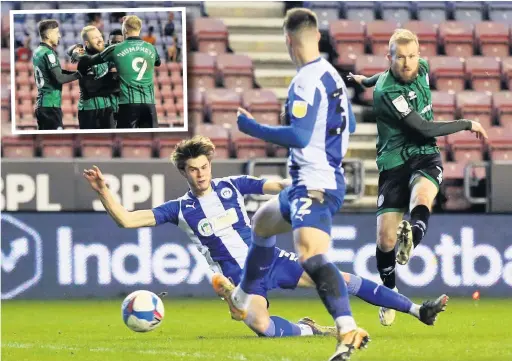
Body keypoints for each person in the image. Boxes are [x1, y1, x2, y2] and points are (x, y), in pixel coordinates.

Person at [83, 136, 449, 340]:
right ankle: (308, 330)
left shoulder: (230, 186)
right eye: (192, 170)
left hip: (271, 263)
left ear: (210, 166)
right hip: (241, 282)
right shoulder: (178, 209)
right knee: (260, 326)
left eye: (204, 167)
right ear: (183, 171)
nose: (200, 174)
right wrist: (104, 191)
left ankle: (418, 311)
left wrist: (301, 185)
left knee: (341, 279)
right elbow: (127, 220)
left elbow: (272, 184)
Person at [215, 8, 369, 361]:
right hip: (307, 181)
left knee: (311, 255)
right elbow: (352, 128)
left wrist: (253, 128)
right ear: (317, 35)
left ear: (288, 41)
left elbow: (299, 135)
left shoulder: (305, 80)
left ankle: (346, 329)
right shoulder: (332, 75)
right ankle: (242, 297)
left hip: (316, 182)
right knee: (262, 224)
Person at [347, 29, 488, 327]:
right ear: (390, 58)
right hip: (394, 161)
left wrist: (364, 79)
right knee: (384, 239)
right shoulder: (388, 92)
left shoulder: (419, 68)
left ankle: (411, 238)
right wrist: (466, 123)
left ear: (419, 55)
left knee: (422, 196)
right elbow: (423, 127)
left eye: (412, 56)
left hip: (425, 155)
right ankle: (390, 290)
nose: (407, 63)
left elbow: (423, 137)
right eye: (400, 58)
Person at [77, 15, 161, 128]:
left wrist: (77, 53)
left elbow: (91, 60)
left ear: (125, 30)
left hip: (128, 104)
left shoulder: (115, 49)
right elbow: (158, 62)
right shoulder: (151, 48)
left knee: (125, 138)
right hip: (149, 104)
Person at [32, 19, 80, 130]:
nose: (59, 36)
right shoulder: (49, 53)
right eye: (57, 32)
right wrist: (79, 75)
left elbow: (56, 72)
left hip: (41, 105)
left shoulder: (38, 51)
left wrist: (76, 73)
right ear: (49, 35)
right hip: (51, 106)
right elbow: (59, 78)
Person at [67, 26, 118, 129]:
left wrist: (75, 48)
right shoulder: (83, 59)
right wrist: (114, 84)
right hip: (89, 111)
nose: (100, 40)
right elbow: (91, 88)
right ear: (87, 43)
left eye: (100, 36)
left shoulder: (106, 51)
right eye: (95, 38)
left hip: (107, 109)